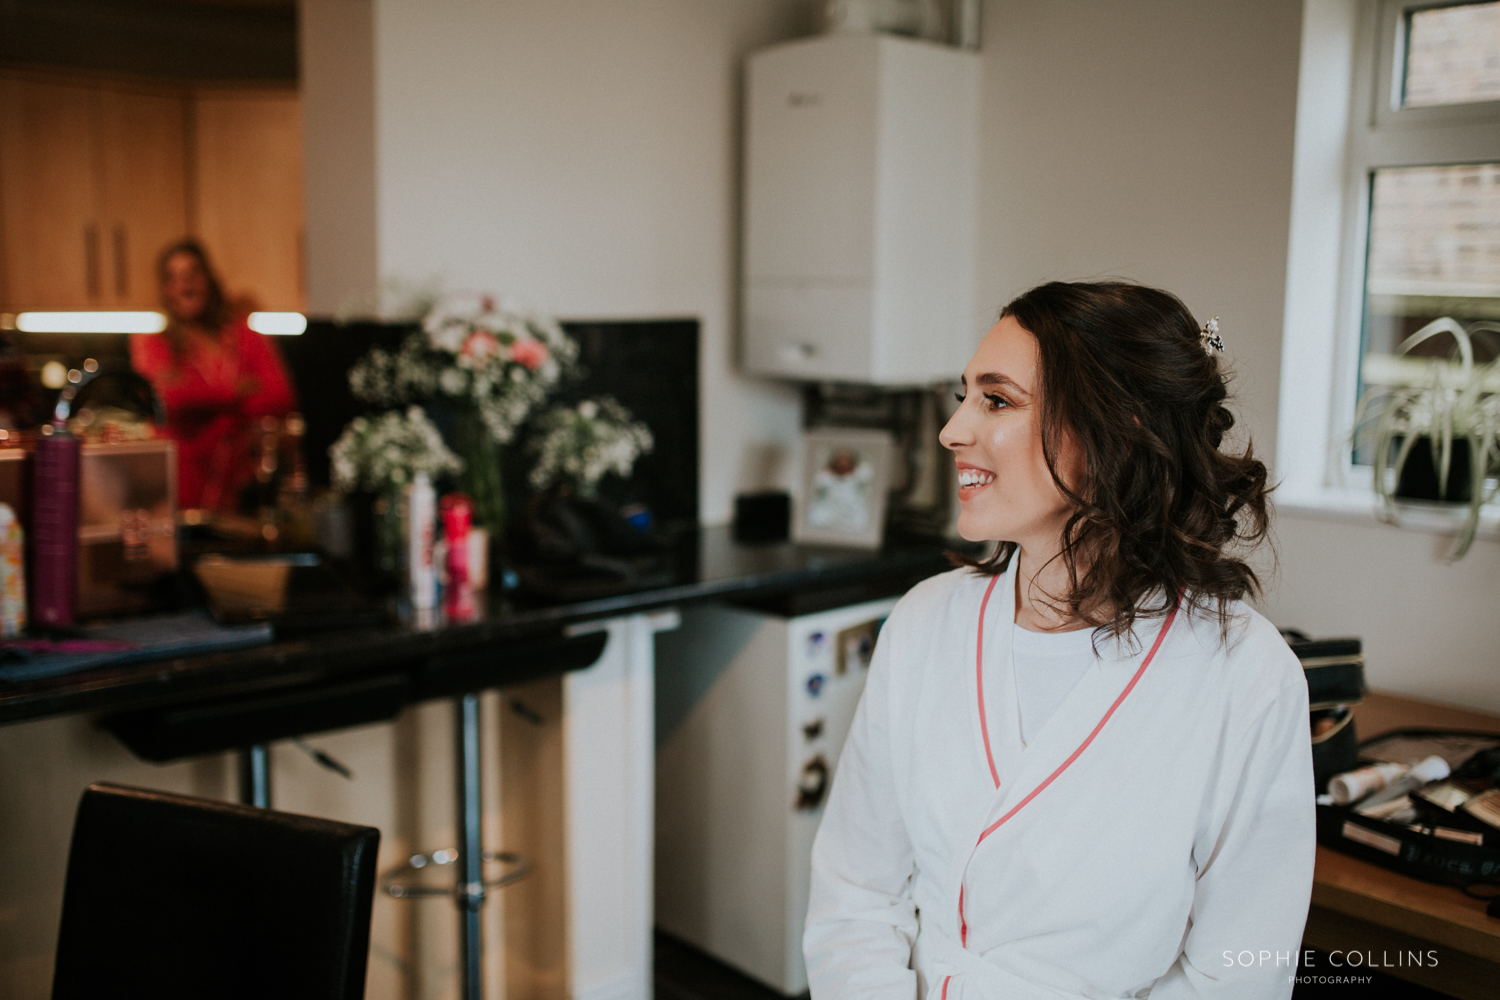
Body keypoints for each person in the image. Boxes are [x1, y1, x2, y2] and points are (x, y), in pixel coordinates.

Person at [804, 282, 1314, 999]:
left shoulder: (1246, 675)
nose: (952, 430)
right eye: (965, 395)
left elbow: (1239, 976)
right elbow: (855, 891)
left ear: (1117, 432)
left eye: (997, 399)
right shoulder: (925, 622)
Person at [130, 240, 297, 511]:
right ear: (165, 290)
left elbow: (280, 397)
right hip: (182, 497)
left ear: (208, 279)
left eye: (193, 273)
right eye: (173, 277)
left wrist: (201, 404)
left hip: (240, 493)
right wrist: (235, 393)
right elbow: (167, 400)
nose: (185, 285)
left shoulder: (245, 337)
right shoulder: (153, 344)